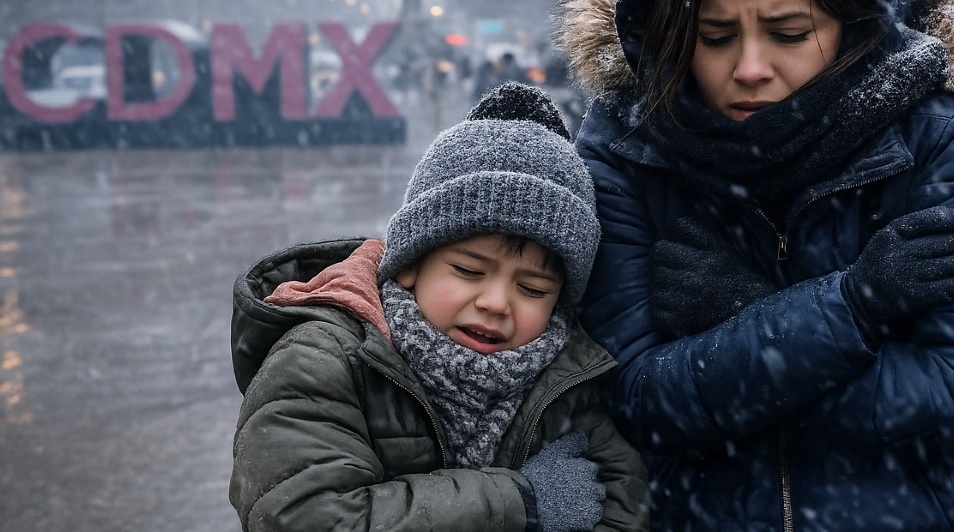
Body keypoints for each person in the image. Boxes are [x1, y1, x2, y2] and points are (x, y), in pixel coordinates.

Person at [554, 0, 954, 529]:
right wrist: (853, 313)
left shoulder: (936, 142)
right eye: (715, 37)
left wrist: (758, 313)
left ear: (854, 24)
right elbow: (641, 402)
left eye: (788, 34)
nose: (750, 68)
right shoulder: (626, 149)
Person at [229, 83, 650, 531]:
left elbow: (622, 507)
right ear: (410, 264)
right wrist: (518, 502)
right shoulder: (323, 360)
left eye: (531, 288)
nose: (495, 303)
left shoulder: (568, 380)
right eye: (469, 272)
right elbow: (302, 517)